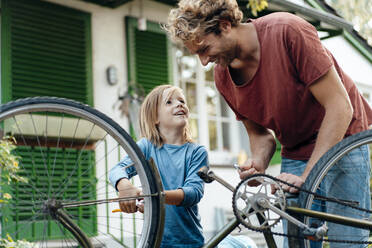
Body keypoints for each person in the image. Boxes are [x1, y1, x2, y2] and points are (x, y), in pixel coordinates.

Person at [164, 0, 372, 247]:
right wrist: (257, 163)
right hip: (296, 150)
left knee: (347, 240)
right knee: (297, 241)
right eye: (196, 54)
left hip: (342, 139)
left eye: (204, 48)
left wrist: (308, 175)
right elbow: (261, 136)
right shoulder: (223, 78)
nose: (204, 61)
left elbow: (340, 107)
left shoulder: (287, 31)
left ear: (225, 25)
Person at [109, 85, 208, 248]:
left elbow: (193, 192)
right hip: (154, 241)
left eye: (182, 100)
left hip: (189, 242)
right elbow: (117, 169)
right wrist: (124, 186)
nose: (179, 104)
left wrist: (154, 196)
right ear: (155, 117)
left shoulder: (197, 152)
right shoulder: (147, 147)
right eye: (169, 102)